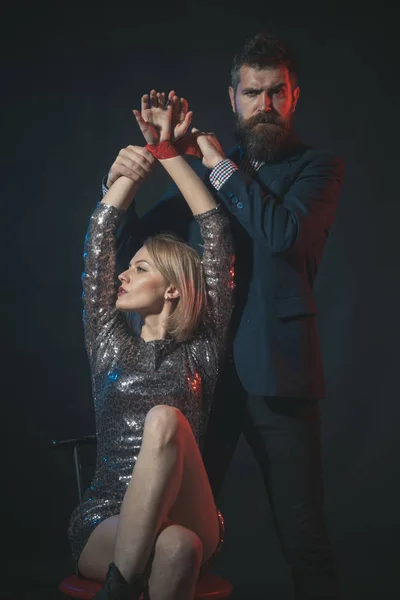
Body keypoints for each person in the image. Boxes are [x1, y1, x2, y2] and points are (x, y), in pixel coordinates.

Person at [106, 32, 345, 599]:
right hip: (204, 377)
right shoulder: (208, 171)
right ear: (233, 98)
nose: (265, 104)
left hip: (279, 380)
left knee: (303, 535)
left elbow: (282, 234)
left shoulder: (319, 169)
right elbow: (137, 241)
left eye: (276, 93)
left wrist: (213, 166)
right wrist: (130, 175)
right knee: (179, 530)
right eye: (253, 92)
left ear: (293, 97)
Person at [68, 91, 235, 600]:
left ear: (172, 289)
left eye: (139, 268)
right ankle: (122, 586)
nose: (121, 274)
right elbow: (100, 239)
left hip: (189, 510)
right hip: (106, 520)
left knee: (166, 420)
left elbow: (216, 231)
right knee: (178, 548)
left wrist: (168, 157)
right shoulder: (109, 345)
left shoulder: (200, 351)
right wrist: (129, 174)